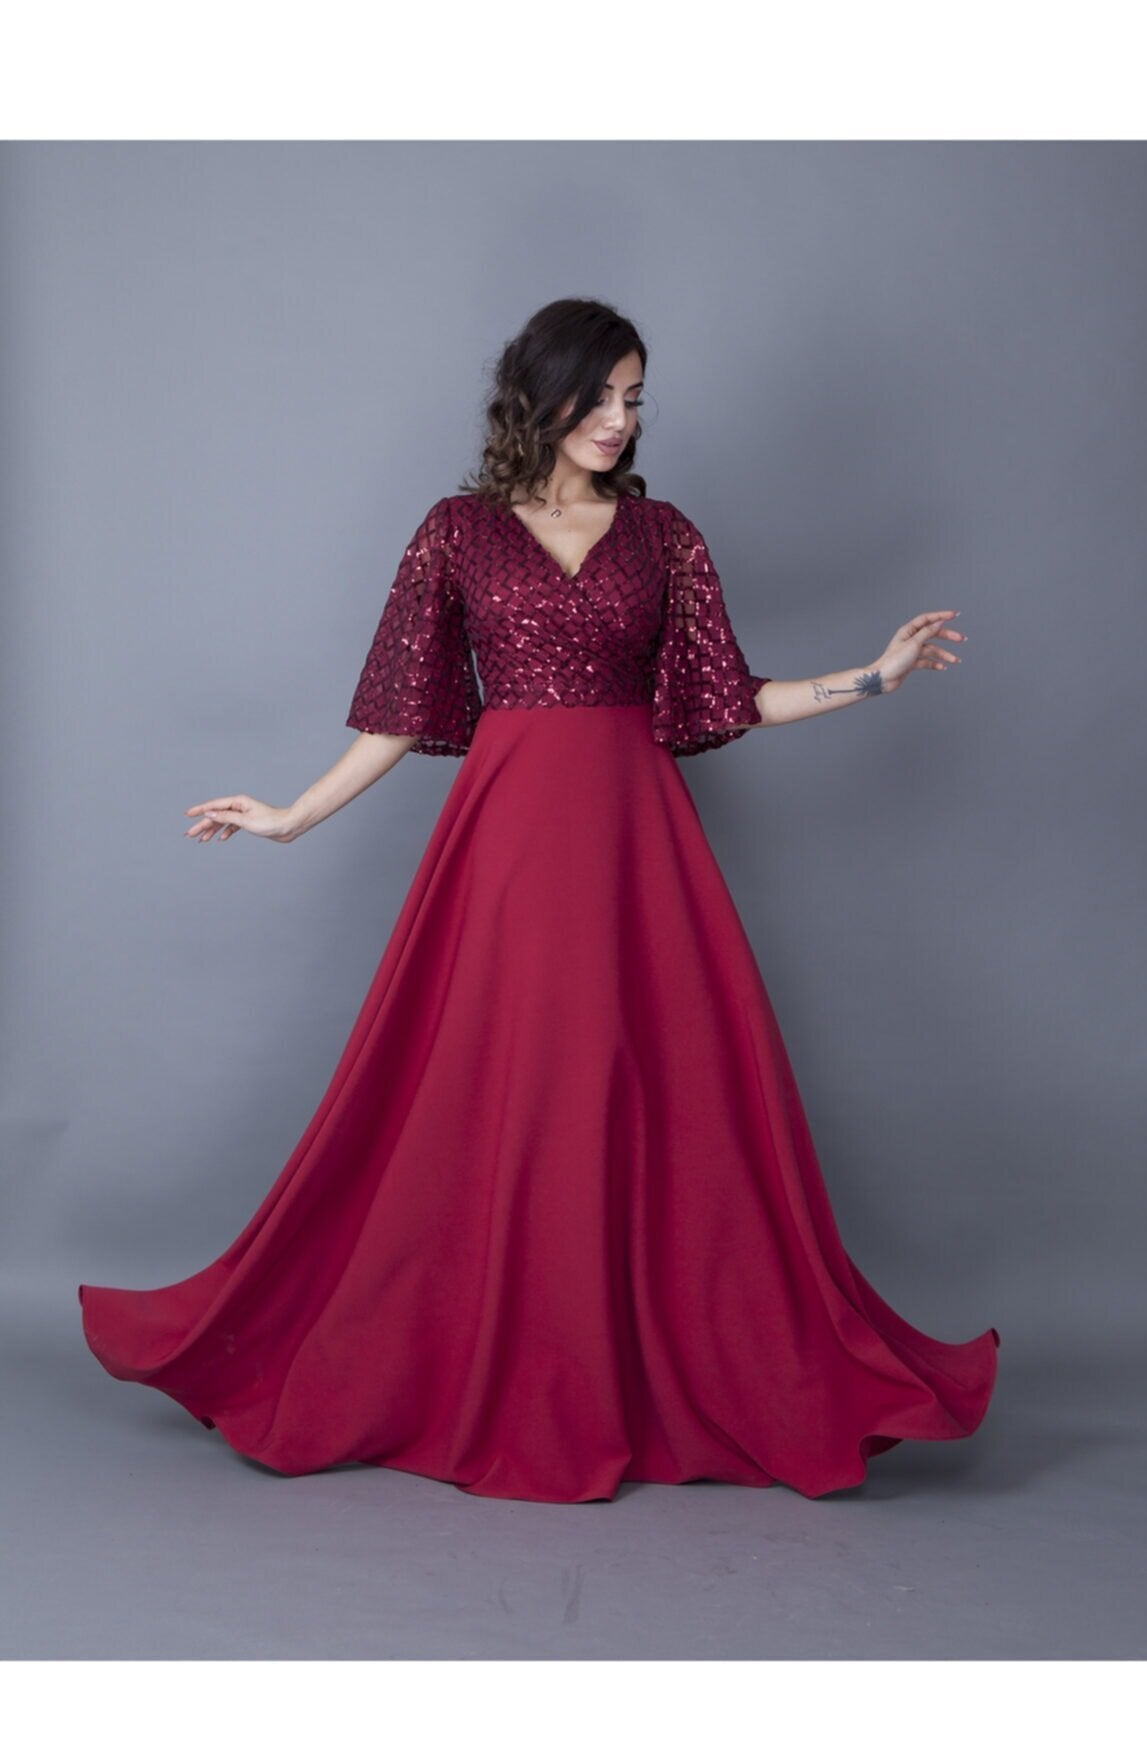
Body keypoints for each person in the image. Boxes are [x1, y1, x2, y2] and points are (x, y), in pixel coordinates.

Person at [78, 296, 999, 1504]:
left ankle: (636, 1368)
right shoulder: (456, 532)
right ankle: (490, 1362)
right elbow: (402, 710)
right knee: (498, 1084)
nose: (619, 419)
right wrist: (295, 814)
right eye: (599, 395)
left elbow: (725, 698)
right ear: (539, 395)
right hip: (508, 840)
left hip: (635, 843)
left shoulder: (664, 536)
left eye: (635, 399)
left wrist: (871, 678)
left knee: (662, 1092)